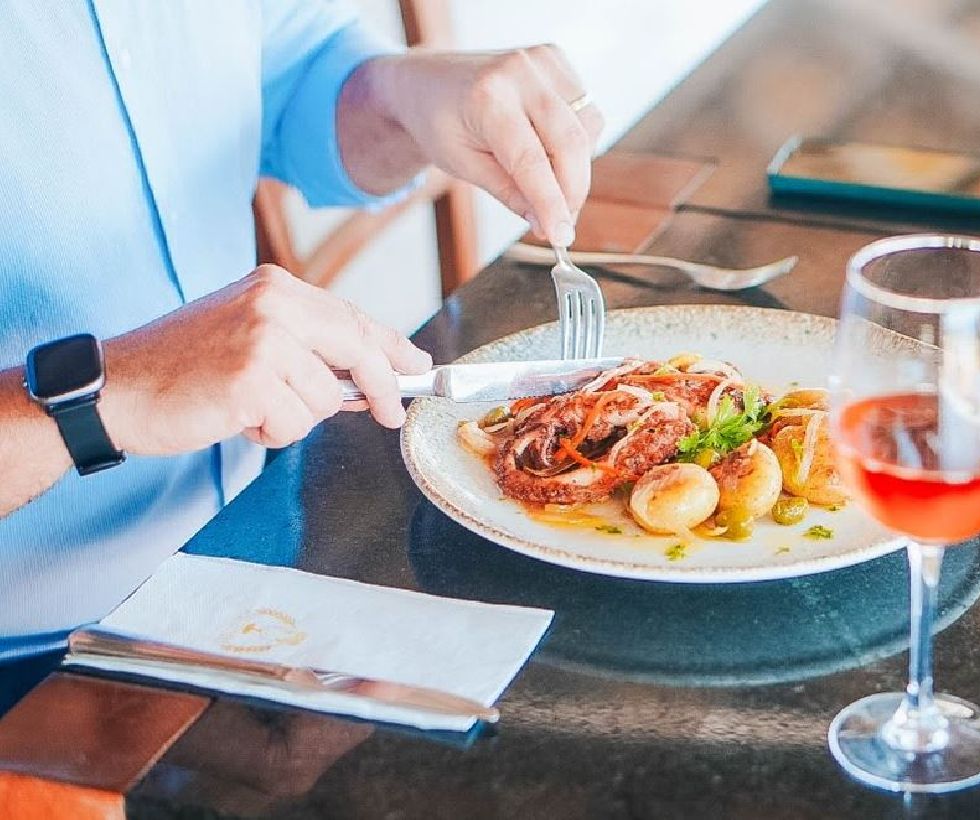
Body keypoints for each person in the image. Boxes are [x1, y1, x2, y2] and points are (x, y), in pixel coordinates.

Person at [0, 2, 603, 660]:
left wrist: (396, 94)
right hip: (36, 654)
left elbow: (289, 75)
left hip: (254, 544)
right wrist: (105, 395)